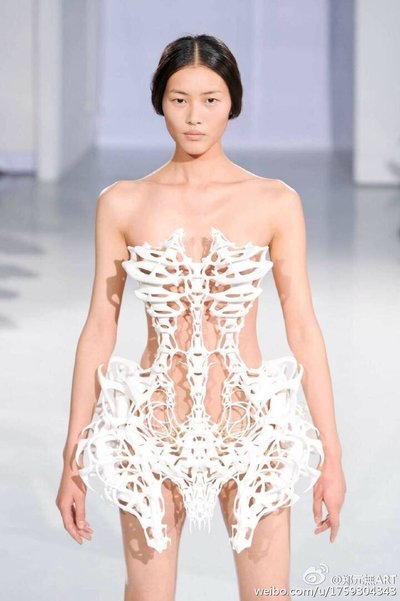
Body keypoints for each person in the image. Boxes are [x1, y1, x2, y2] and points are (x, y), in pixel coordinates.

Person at [56, 33, 346, 601]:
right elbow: (99, 327)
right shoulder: (122, 202)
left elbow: (303, 327)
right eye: (179, 99)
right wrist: (73, 454)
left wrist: (331, 457)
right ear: (159, 102)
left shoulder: (274, 202)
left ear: (233, 102)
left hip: (251, 429)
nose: (194, 116)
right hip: (152, 430)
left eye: (210, 99)